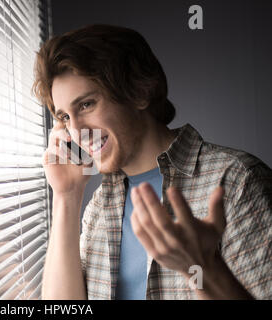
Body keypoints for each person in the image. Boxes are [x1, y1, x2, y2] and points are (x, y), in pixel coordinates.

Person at [31, 24, 272, 300]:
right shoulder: (98, 207)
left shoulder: (238, 182)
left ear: (139, 92)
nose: (76, 132)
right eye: (64, 117)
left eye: (86, 105)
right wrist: (66, 196)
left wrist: (206, 269)